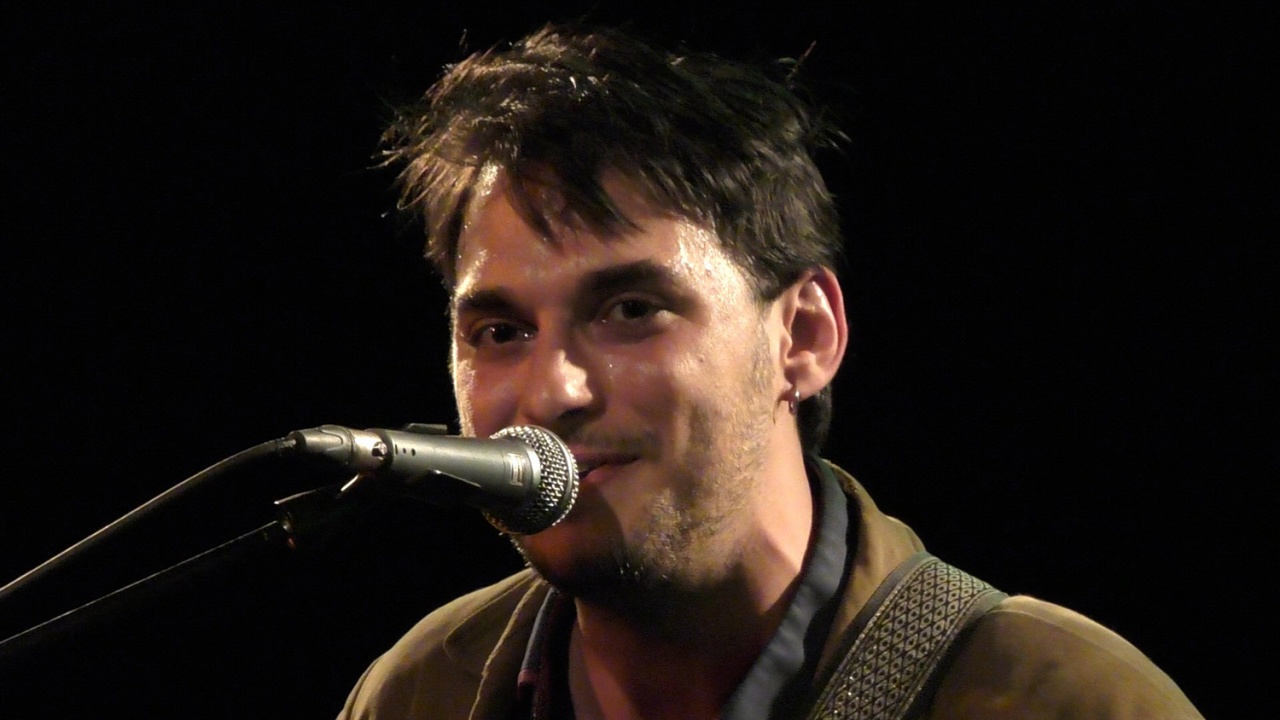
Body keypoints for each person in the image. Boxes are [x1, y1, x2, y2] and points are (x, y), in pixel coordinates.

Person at [337, 23, 1202, 720]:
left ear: (805, 335)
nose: (551, 391)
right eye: (499, 331)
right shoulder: (416, 694)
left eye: (631, 310)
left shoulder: (1065, 699)